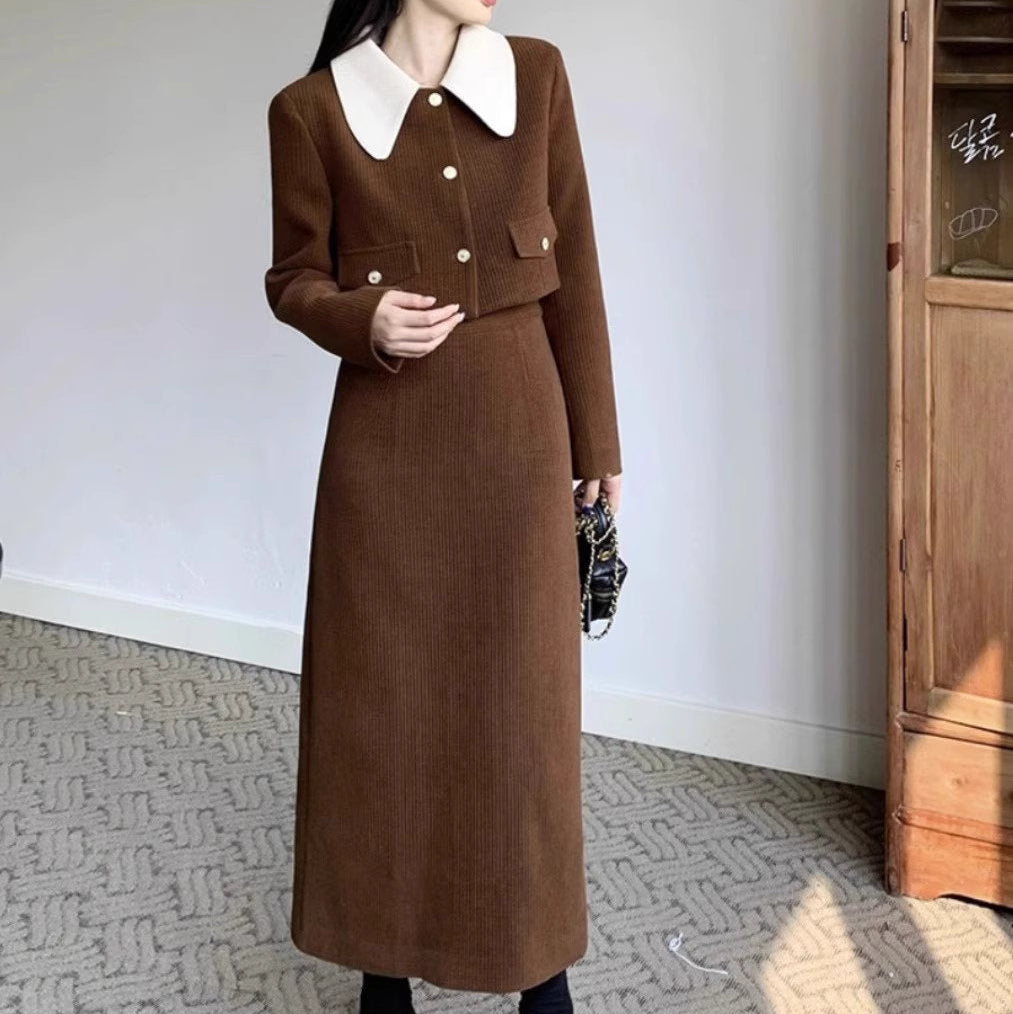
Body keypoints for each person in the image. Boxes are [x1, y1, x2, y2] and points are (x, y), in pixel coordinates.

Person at [264, 1, 623, 1011]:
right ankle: (382, 975)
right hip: (384, 451)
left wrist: (597, 441)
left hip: (519, 437)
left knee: (522, 714)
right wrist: (360, 317)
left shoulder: (535, 75)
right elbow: (292, 277)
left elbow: (576, 264)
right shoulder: (309, 112)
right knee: (381, 711)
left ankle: (540, 975)